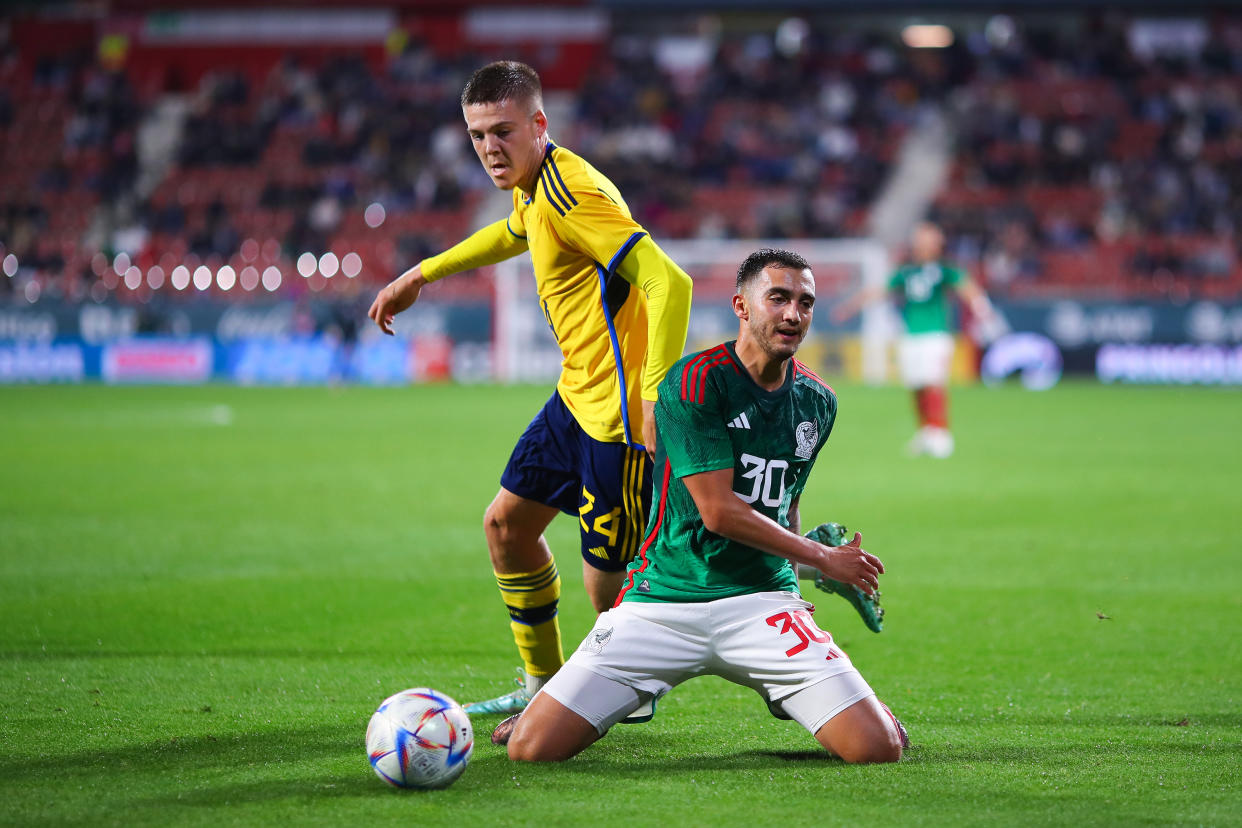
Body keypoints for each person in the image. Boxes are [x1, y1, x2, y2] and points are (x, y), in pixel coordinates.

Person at [368, 61, 693, 715]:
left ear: (540, 124)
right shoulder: (534, 185)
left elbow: (670, 282)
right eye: (478, 134)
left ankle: (629, 687)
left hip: (619, 422)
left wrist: (656, 393)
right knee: (505, 529)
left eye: (503, 132)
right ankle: (546, 687)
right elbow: (514, 231)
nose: (490, 147)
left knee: (607, 589)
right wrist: (422, 274)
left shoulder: (575, 195)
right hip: (576, 397)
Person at [499, 249, 907, 764]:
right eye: (777, 298)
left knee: (878, 749)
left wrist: (799, 568)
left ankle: (801, 682)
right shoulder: (694, 381)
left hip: (762, 602)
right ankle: (588, 700)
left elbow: (783, 506)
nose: (792, 314)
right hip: (662, 601)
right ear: (741, 304)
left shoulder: (818, 401)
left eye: (806, 303)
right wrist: (822, 559)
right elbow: (717, 511)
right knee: (531, 751)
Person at [833, 222, 999, 458]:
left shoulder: (944, 269)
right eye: (918, 240)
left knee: (933, 382)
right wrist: (849, 307)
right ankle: (925, 431)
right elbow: (879, 290)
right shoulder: (906, 272)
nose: (920, 245)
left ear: (936, 244)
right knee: (916, 384)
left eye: (925, 240)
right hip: (910, 336)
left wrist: (984, 311)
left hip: (936, 335)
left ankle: (941, 433)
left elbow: (967, 288)